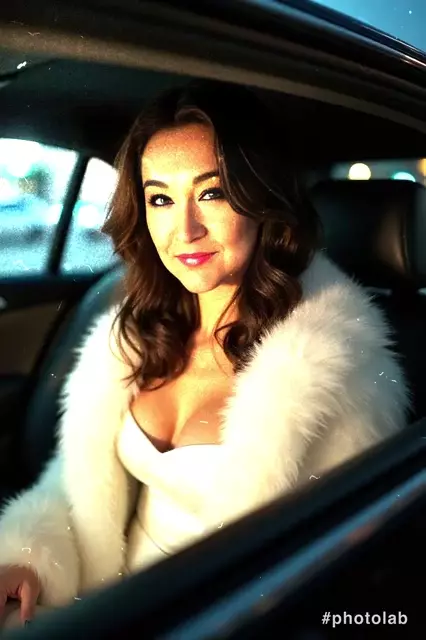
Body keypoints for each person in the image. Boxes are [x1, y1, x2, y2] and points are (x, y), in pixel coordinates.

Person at [0, 79, 410, 627]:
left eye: (212, 193)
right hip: (100, 604)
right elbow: (77, 485)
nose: (185, 229)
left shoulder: (337, 373)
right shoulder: (136, 334)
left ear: (262, 201)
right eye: (161, 199)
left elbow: (337, 574)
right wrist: (27, 557)